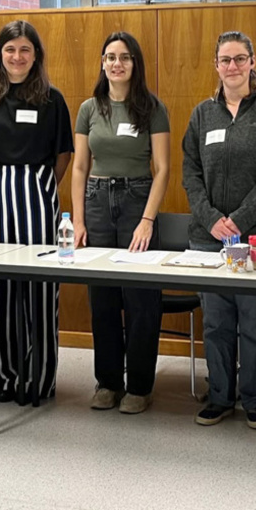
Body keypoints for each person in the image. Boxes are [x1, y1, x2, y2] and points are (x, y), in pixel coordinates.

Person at [182, 30, 256, 430]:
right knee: (215, 323)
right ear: (216, 65)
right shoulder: (201, 115)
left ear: (252, 62)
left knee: (254, 323)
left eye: (239, 58)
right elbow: (190, 173)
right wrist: (212, 218)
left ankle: (254, 398)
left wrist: (241, 220)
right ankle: (219, 396)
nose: (232, 66)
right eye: (225, 60)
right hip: (207, 238)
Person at [0, 20, 73, 404]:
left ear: (36, 55)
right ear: (0, 54)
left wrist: (36, 186)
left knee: (41, 292)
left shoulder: (52, 100)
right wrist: (1, 180)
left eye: (25, 49)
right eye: (10, 49)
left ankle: (38, 379)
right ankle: (2, 379)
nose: (17, 57)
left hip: (39, 198)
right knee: (0, 291)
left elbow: (63, 158)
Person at [72, 32, 171, 414]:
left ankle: (140, 386)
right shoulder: (88, 108)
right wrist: (78, 219)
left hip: (137, 201)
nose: (117, 63)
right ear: (102, 62)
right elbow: (80, 167)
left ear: (135, 63)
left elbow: (162, 169)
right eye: (110, 56)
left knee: (142, 299)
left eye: (125, 57)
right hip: (96, 203)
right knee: (103, 299)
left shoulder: (151, 107)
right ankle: (108, 382)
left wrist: (147, 220)